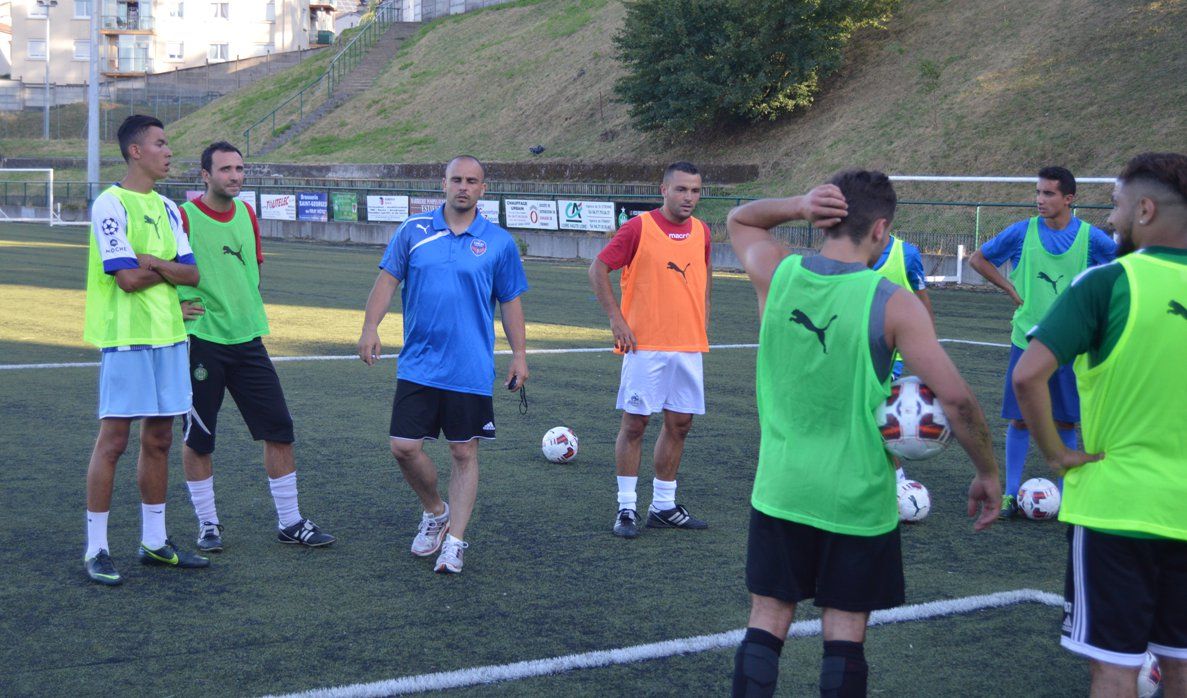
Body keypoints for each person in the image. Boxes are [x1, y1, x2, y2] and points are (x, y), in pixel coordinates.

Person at [726, 170, 1001, 697]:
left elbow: (740, 218)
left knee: (766, 619)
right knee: (845, 636)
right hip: (857, 495)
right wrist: (987, 471)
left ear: (826, 217)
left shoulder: (779, 273)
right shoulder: (892, 301)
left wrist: (798, 203)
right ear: (880, 229)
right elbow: (958, 399)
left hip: (782, 487)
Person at [1013, 152, 1187, 698]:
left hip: (1117, 509)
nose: (1109, 219)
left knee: (1114, 669)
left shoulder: (1108, 281)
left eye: (1114, 205)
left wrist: (1057, 455)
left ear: (1145, 209)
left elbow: (1028, 376)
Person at [357, 155, 528, 575]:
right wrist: (370, 326)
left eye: (472, 181)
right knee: (403, 447)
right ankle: (435, 511)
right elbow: (387, 281)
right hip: (418, 363)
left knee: (463, 451)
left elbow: (510, 302)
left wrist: (520, 354)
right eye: (457, 180)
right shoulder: (413, 231)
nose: (463, 187)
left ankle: (455, 542)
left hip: (469, 367)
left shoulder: (499, 242)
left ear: (483, 189)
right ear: (444, 183)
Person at [177, 141, 335, 552]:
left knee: (279, 429)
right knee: (199, 437)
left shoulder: (247, 213)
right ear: (205, 175)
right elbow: (163, 270)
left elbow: (253, 271)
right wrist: (177, 309)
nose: (235, 176)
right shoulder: (185, 216)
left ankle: (290, 521)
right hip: (201, 342)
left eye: (240, 169)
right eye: (226, 169)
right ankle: (208, 524)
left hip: (248, 340)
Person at [82, 114, 208, 585]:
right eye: (161, 143)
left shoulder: (172, 209)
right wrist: (167, 267)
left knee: (159, 440)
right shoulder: (110, 204)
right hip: (126, 339)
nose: (169, 151)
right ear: (136, 151)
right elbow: (128, 280)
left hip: (171, 337)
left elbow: (192, 274)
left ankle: (154, 542)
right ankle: (96, 547)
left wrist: (153, 260)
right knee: (113, 441)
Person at [968, 166, 1116, 519]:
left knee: (1067, 422)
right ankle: (1008, 494)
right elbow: (977, 258)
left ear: (1069, 199)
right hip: (1027, 341)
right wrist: (1008, 288)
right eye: (1037, 193)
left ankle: (1066, 498)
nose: (1039, 200)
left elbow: (1122, 269)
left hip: (1072, 345)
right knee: (1019, 421)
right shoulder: (1022, 232)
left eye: (1048, 193)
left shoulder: (1092, 239)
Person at [589, 161, 713, 538]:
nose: (688, 197)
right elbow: (598, 268)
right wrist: (616, 319)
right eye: (681, 189)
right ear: (663, 189)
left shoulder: (703, 232)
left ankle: (663, 505)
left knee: (681, 424)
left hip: (688, 345)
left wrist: (702, 322)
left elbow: (704, 281)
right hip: (645, 345)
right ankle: (626, 507)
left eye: (694, 190)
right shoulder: (638, 228)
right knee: (635, 424)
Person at [871, 233, 935, 484]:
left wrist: (929, 348)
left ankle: (898, 481)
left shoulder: (906, 254)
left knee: (873, 414)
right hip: (854, 348)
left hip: (890, 353)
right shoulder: (848, 250)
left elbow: (923, 301)